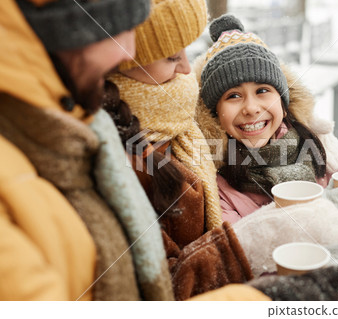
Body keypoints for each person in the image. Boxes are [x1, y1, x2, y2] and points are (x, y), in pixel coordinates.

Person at [0, 0, 270, 301]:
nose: (128, 50)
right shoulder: (100, 147)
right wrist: (266, 284)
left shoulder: (181, 124)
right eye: (169, 55)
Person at [105, 0, 338, 299]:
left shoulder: (182, 129)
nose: (184, 67)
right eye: (171, 56)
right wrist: (257, 239)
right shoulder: (176, 157)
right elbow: (159, 286)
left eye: (263, 91)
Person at [196, 14, 338, 241]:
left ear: (284, 104)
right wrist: (320, 216)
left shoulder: (312, 146)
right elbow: (237, 246)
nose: (251, 108)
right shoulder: (214, 181)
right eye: (234, 95)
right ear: (214, 115)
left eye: (262, 91)